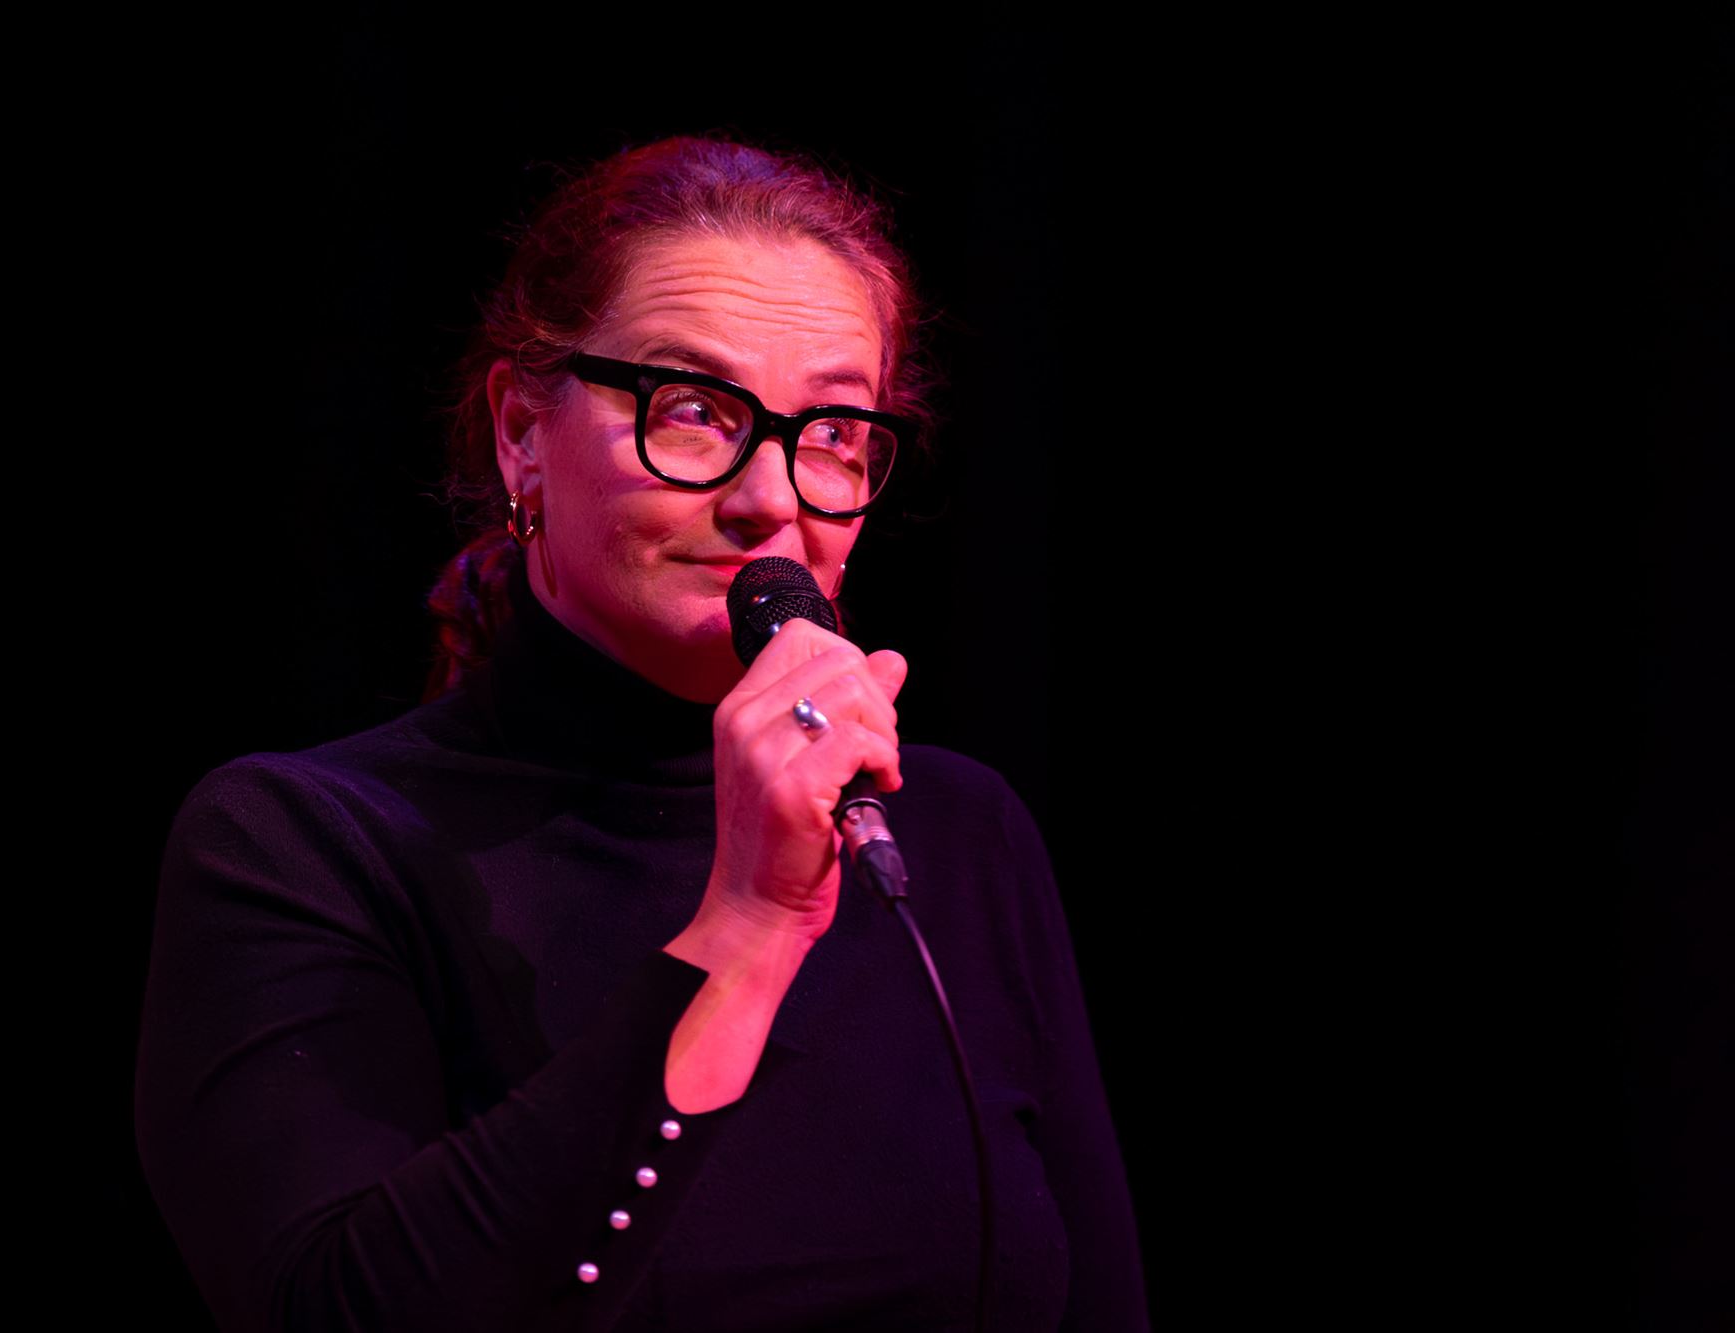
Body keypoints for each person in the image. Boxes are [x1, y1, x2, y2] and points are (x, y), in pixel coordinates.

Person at [136, 135, 1148, 1332]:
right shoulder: (302, 843)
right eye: (694, 411)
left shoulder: (956, 834)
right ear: (522, 431)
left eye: (831, 430)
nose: (769, 499)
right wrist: (748, 924)